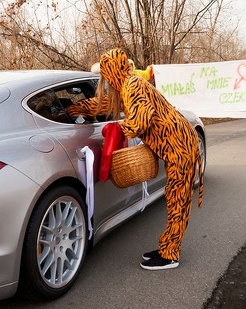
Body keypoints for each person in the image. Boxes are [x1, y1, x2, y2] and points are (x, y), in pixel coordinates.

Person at [67, 49, 203, 270]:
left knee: (178, 199)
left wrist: (120, 128)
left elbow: (142, 119)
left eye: (105, 73)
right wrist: (77, 108)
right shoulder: (128, 84)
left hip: (178, 144)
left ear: (111, 70)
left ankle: (170, 255)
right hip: (178, 141)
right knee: (176, 197)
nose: (105, 80)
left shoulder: (132, 85)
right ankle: (167, 248)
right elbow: (106, 105)